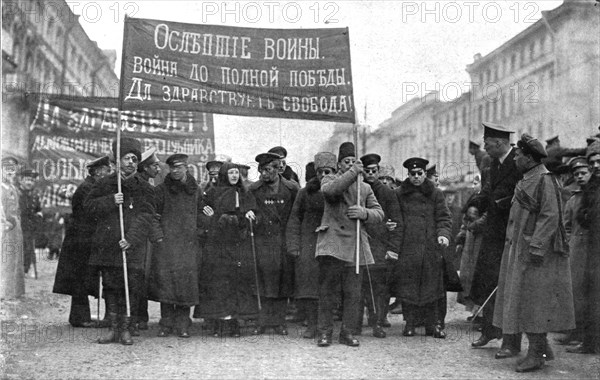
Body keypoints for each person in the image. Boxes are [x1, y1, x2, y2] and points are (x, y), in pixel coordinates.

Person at [493, 133, 575, 372]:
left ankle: (536, 353)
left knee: (535, 303)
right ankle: (542, 347)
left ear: (529, 158)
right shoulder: (528, 177)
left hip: (537, 254)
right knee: (523, 300)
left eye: (518, 154)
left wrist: (536, 247)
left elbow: (550, 216)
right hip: (521, 250)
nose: (515, 158)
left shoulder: (544, 179)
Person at [85, 137, 155, 345]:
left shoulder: (143, 187)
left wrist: (131, 239)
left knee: (130, 287)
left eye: (135, 159)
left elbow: (147, 215)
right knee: (111, 286)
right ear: (118, 161)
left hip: (132, 246)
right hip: (108, 245)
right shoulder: (105, 183)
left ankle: (126, 328)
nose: (131, 162)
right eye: (127, 158)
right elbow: (87, 208)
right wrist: (110, 201)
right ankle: (113, 328)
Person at [315, 143, 384, 348]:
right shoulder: (330, 179)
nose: (351, 165)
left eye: (354, 161)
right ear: (339, 165)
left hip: (355, 244)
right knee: (328, 291)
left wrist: (364, 213)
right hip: (333, 243)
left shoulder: (365, 187)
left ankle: (347, 331)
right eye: (347, 162)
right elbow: (330, 192)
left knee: (354, 293)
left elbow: (379, 213)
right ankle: (325, 332)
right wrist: (354, 172)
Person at [470, 122, 522, 354]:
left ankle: (511, 341)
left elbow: (521, 195)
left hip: (513, 233)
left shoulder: (519, 162)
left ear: (500, 143)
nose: (484, 146)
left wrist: (498, 203)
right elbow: (487, 190)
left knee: (510, 287)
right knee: (488, 280)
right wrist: (475, 204)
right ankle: (490, 329)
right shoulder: (493, 163)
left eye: (487, 143)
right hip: (494, 232)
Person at [197, 161, 258, 337]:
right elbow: (203, 214)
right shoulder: (212, 193)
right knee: (218, 283)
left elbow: (252, 212)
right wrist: (215, 218)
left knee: (236, 283)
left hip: (238, 244)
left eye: (236, 173)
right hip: (217, 245)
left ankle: (234, 323)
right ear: (224, 175)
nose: (233, 176)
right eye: (230, 173)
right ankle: (218, 323)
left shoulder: (244, 193)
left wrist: (249, 215)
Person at [393, 157, 452, 338]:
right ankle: (409, 324)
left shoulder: (435, 193)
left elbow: (444, 218)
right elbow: (396, 219)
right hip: (408, 247)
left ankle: (432, 325)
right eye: (413, 174)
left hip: (430, 248)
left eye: (420, 174)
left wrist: (443, 234)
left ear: (425, 174)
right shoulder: (399, 194)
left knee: (432, 288)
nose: (416, 177)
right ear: (408, 175)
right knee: (408, 287)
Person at [53, 156, 112, 328]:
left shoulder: (91, 186)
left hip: (84, 239)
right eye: (107, 171)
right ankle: (79, 318)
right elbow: (89, 213)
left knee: (83, 278)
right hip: (80, 240)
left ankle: (81, 316)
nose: (108, 174)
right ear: (98, 172)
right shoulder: (87, 189)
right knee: (79, 279)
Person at [148, 154, 201, 338]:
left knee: (186, 285)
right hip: (167, 245)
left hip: (188, 245)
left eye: (179, 167)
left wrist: (199, 233)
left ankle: (183, 323)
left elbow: (203, 214)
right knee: (167, 284)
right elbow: (153, 216)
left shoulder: (196, 190)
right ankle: (166, 323)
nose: (175, 171)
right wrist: (159, 238)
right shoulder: (161, 190)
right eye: (172, 168)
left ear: (187, 167)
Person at [249, 151, 299, 335]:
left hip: (284, 241)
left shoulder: (292, 189)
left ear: (278, 169)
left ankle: (279, 322)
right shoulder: (254, 190)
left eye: (268, 169)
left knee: (283, 282)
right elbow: (250, 210)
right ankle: (262, 321)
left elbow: (296, 215)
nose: (263, 174)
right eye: (261, 170)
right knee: (263, 282)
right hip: (264, 242)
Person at [358, 153, 402, 338]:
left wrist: (392, 248)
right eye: (366, 171)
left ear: (378, 171)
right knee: (359, 287)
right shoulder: (357, 190)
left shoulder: (386, 193)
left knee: (379, 288)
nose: (370, 174)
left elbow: (396, 222)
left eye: (374, 171)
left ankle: (377, 322)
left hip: (379, 246)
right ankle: (356, 323)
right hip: (360, 243)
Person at [286, 160, 327, 339]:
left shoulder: (338, 192)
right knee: (309, 287)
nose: (324, 176)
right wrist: (294, 246)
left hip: (330, 242)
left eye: (328, 172)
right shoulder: (305, 193)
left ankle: (326, 325)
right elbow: (294, 218)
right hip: (308, 242)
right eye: (320, 172)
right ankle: (312, 324)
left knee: (327, 286)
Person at [567, 140, 600, 354]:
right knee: (590, 295)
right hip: (592, 249)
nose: (596, 166)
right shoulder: (592, 189)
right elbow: (581, 217)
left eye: (598, 161)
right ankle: (588, 341)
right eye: (593, 162)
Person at [555, 157, 592, 346]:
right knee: (574, 291)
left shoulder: (595, 195)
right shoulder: (572, 199)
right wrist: (569, 242)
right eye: (576, 174)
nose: (579, 177)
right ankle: (574, 332)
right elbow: (566, 225)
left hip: (594, 251)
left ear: (590, 173)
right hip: (577, 251)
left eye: (583, 173)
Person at [133, 147, 163, 333]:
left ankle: (140, 317)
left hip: (143, 237)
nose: (158, 169)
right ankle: (137, 317)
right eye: (154, 166)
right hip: (139, 237)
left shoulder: (147, 185)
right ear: (144, 168)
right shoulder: (141, 186)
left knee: (141, 276)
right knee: (138, 275)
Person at [1, 156, 25, 299]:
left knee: (15, 257)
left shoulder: (13, 188)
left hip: (16, 226)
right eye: (7, 170)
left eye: (12, 170)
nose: (10, 173)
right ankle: (4, 292)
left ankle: (14, 291)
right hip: (5, 226)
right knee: (5, 258)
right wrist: (5, 222)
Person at [18, 168, 42, 279]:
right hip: (17, 226)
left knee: (28, 248)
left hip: (29, 227)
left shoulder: (34, 196)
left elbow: (38, 210)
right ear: (21, 180)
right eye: (27, 179)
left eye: (32, 180)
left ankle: (25, 270)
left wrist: (38, 216)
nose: (29, 182)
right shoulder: (16, 193)